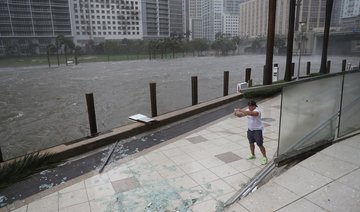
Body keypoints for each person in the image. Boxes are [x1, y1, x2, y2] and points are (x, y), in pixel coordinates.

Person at [234, 100, 268, 165]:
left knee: (260, 144)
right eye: (249, 106)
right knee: (251, 143)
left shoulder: (257, 111)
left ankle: (264, 157)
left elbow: (252, 114)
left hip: (257, 130)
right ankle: (253, 155)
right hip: (250, 130)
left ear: (254, 106)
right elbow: (241, 115)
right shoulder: (247, 110)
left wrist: (241, 110)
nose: (250, 108)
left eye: (251, 106)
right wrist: (236, 113)